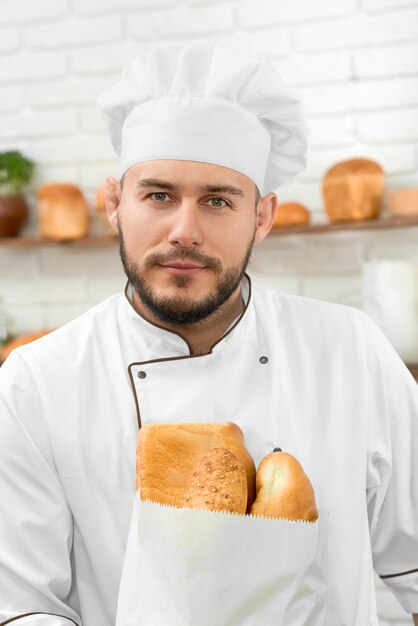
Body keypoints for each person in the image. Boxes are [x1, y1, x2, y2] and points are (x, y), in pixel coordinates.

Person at [0, 41, 417, 626]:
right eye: (159, 195)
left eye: (218, 201)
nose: (184, 231)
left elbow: (411, 572)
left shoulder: (351, 351)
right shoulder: (35, 382)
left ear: (263, 216)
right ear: (115, 203)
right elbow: (21, 607)